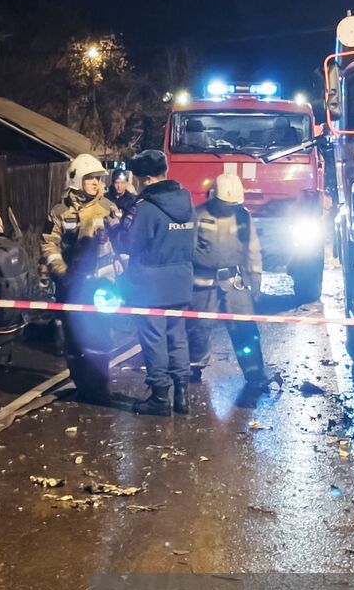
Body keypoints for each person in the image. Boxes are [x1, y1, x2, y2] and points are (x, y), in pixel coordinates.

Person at [41, 154, 124, 405]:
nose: (96, 183)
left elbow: (122, 241)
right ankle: (83, 385)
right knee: (74, 339)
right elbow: (48, 245)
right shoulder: (59, 211)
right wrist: (60, 273)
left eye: (98, 179)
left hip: (102, 284)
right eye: (90, 179)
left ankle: (100, 388)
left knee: (100, 336)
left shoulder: (109, 208)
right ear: (76, 180)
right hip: (71, 285)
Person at [121, 148, 195, 416]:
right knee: (177, 337)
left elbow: (130, 244)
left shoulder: (147, 208)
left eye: (140, 179)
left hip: (150, 286)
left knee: (154, 340)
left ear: (148, 179)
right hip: (181, 281)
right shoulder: (187, 203)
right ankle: (182, 395)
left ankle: (160, 397)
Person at [188, 172, 267, 385]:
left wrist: (256, 276)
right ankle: (193, 368)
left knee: (245, 328)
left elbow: (252, 248)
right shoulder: (198, 214)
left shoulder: (243, 215)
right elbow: (188, 249)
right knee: (198, 329)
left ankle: (255, 374)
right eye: (226, 203)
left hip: (234, 282)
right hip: (203, 284)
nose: (229, 208)